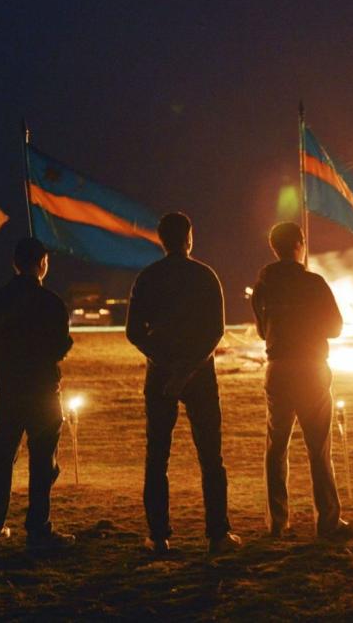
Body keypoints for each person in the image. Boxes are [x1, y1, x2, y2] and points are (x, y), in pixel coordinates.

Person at [126, 212, 239, 555]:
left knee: (157, 456)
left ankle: (158, 536)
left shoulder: (148, 278)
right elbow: (216, 330)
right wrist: (189, 368)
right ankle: (218, 535)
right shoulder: (205, 276)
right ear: (189, 238)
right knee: (211, 456)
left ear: (161, 239)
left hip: (160, 375)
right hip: (200, 374)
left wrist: (166, 365)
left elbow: (134, 332)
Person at [251, 222, 350, 540]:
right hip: (310, 368)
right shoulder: (313, 283)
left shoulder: (264, 285)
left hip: (278, 368)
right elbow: (335, 327)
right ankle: (328, 521)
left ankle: (277, 522)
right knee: (319, 448)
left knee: (276, 447)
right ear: (298, 244)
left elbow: (262, 330)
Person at [0, 238, 75, 550]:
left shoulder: (2, 298)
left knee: (1, 458)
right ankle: (37, 528)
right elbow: (58, 347)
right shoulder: (51, 301)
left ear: (15, 263)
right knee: (43, 462)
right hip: (42, 390)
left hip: (8, 389)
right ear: (43, 262)